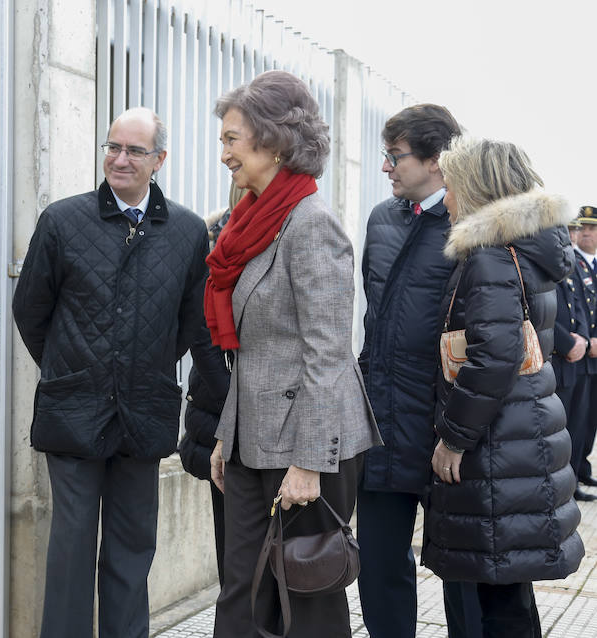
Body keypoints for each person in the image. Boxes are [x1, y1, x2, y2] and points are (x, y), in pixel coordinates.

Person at [12, 106, 211, 637]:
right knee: (71, 547)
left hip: (144, 411)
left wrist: (141, 367)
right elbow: (30, 311)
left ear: (159, 160)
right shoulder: (62, 220)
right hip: (74, 409)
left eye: (134, 150)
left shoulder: (188, 232)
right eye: (112, 147)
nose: (119, 159)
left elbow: (191, 322)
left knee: (132, 548)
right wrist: (69, 368)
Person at [207, 70, 380, 638]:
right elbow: (254, 349)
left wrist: (309, 461)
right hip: (253, 438)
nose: (224, 151)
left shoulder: (311, 224)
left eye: (233, 137)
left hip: (307, 447)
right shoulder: (251, 222)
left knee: (307, 597)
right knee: (243, 591)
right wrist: (225, 437)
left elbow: (327, 353)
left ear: (273, 140)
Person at [424, 136, 584, 636]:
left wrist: (454, 439)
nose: (445, 198)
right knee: (510, 594)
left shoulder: (490, 256)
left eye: (449, 186)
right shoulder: (525, 251)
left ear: (472, 188)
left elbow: (494, 358)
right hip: (520, 435)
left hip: (496, 445)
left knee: (501, 602)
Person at [356, 103, 482, 638]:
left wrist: (460, 428)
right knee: (380, 567)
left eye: (395, 156)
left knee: (464, 572)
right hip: (384, 420)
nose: (386, 167)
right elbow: (374, 313)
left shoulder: (472, 223)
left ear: (435, 161)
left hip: (448, 426)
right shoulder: (382, 219)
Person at [177, 182, 243, 586]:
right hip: (222, 415)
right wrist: (235, 405)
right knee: (234, 555)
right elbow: (201, 337)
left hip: (240, 415)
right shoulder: (215, 239)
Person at [552, 215, 593, 502]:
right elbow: (544, 311)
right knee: (563, 428)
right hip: (559, 358)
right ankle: (563, 483)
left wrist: (582, 337)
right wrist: (572, 342)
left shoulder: (567, 265)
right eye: (570, 230)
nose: (574, 235)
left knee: (580, 424)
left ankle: (573, 477)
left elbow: (577, 305)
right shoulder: (550, 265)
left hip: (579, 351)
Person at [568, 205, 597, 496]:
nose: (584, 233)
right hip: (581, 352)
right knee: (576, 420)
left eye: (590, 228)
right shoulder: (572, 262)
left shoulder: (591, 264)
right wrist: (589, 341)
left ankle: (582, 469)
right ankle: (571, 477)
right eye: (580, 228)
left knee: (589, 421)